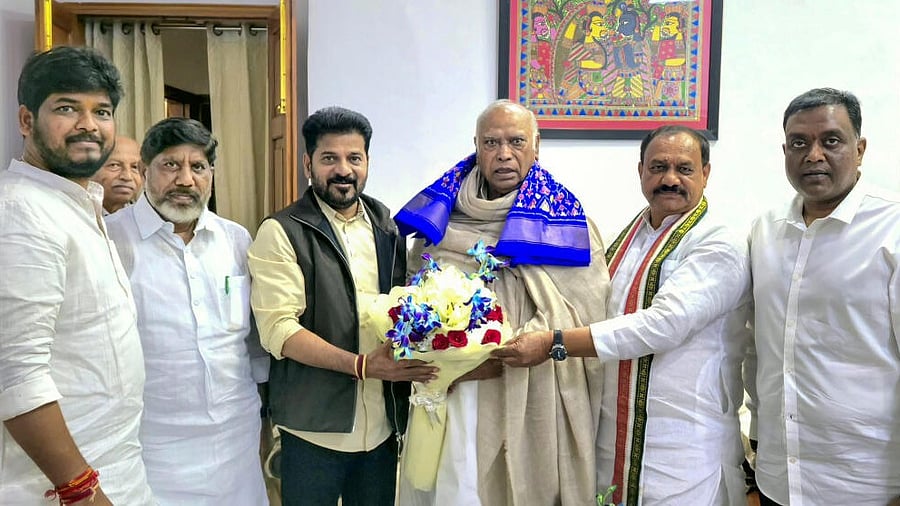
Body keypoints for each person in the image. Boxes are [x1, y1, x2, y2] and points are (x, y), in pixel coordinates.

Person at [495, 125, 751, 505]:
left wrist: (554, 343)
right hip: (617, 434)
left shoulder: (718, 243)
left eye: (684, 168)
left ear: (706, 174)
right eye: (658, 166)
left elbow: (664, 325)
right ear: (641, 171)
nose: (669, 179)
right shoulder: (631, 236)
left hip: (684, 444)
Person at [394, 99, 610, 506]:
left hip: (534, 385)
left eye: (516, 141)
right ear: (476, 145)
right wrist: (446, 349)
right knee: (457, 488)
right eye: (492, 142)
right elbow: (411, 296)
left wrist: (518, 344)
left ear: (536, 146)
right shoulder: (442, 220)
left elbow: (588, 309)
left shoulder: (566, 222)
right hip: (457, 390)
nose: (504, 154)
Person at [248, 106, 437, 506]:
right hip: (314, 429)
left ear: (367, 161)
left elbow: (402, 308)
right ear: (308, 163)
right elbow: (278, 331)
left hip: (383, 425)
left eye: (354, 158)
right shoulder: (281, 231)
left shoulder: (387, 225)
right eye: (329, 158)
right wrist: (362, 366)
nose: (343, 170)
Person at [0, 46, 154, 505]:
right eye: (67, 108)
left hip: (114, 467)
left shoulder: (76, 204)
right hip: (58, 489)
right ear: (27, 121)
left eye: (102, 111)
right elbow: (16, 375)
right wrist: (80, 490)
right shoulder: (21, 213)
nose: (89, 124)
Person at [746, 88, 900, 506]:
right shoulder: (765, 231)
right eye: (799, 143)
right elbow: (758, 349)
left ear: (860, 148)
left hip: (865, 485)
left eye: (831, 140)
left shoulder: (892, 229)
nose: (813, 154)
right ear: (785, 151)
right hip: (779, 480)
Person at [104, 117, 269, 505]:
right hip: (153, 443)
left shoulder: (234, 239)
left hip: (235, 438)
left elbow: (252, 343)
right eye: (170, 165)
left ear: (211, 174)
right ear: (146, 171)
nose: (185, 180)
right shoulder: (112, 237)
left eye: (198, 167)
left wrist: (264, 419)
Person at [91, 135, 143, 214]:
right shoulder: (74, 216)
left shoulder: (146, 219)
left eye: (134, 167)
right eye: (114, 165)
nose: (127, 177)